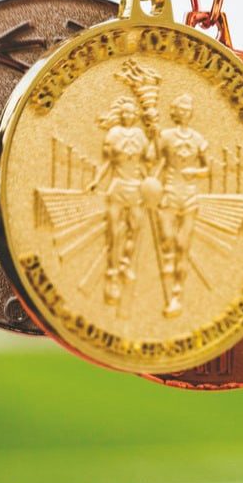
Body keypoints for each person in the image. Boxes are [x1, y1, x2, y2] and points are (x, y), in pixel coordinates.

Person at [152, 94, 209, 318]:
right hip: (169, 192)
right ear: (175, 112)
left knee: (183, 246)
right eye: (180, 109)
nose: (184, 112)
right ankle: (167, 263)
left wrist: (195, 172)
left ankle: (176, 293)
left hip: (189, 196)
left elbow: (206, 169)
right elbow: (156, 161)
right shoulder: (165, 136)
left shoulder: (198, 139)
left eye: (187, 109)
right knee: (167, 238)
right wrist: (150, 185)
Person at [91, 96, 152, 307]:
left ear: (135, 115)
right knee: (113, 231)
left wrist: (151, 184)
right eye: (124, 112)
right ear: (121, 115)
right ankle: (112, 272)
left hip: (136, 188)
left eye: (131, 112)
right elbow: (107, 163)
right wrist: (96, 181)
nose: (128, 115)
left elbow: (144, 165)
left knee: (134, 229)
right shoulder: (113, 134)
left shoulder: (141, 136)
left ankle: (126, 262)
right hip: (117, 188)